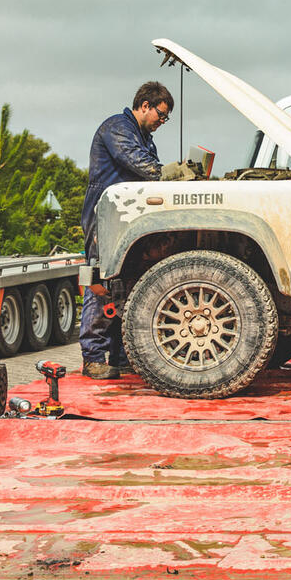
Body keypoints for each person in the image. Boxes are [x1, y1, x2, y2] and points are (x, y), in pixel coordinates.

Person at [79, 81, 173, 379]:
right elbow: (140, 164)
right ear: (145, 105)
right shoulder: (118, 128)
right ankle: (93, 358)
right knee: (102, 284)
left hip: (128, 217)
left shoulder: (144, 137)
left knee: (127, 284)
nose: (162, 121)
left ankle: (119, 357)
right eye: (161, 114)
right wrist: (173, 174)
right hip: (105, 215)